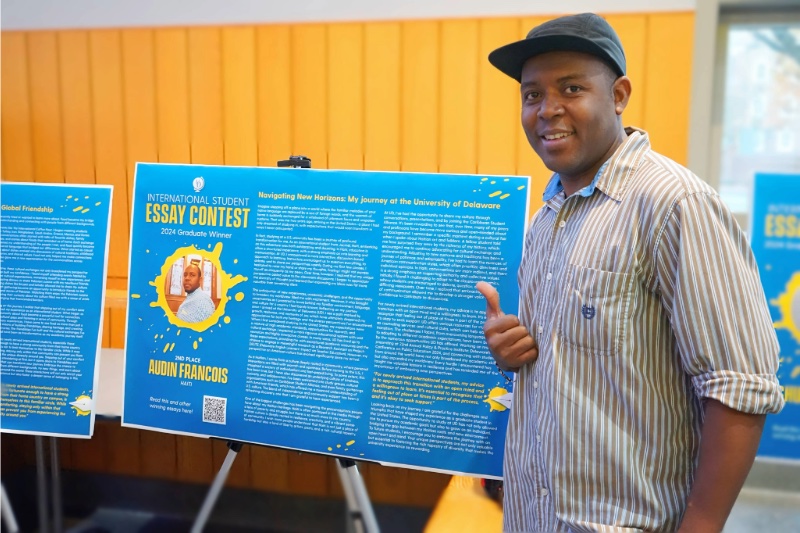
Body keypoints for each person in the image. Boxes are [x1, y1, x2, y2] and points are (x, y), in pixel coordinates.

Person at [476, 12, 784, 533]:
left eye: (570, 88)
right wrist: (515, 351)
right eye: (532, 95)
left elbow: (741, 386)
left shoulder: (673, 203)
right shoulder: (548, 213)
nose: (548, 110)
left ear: (618, 95)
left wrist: (703, 523)